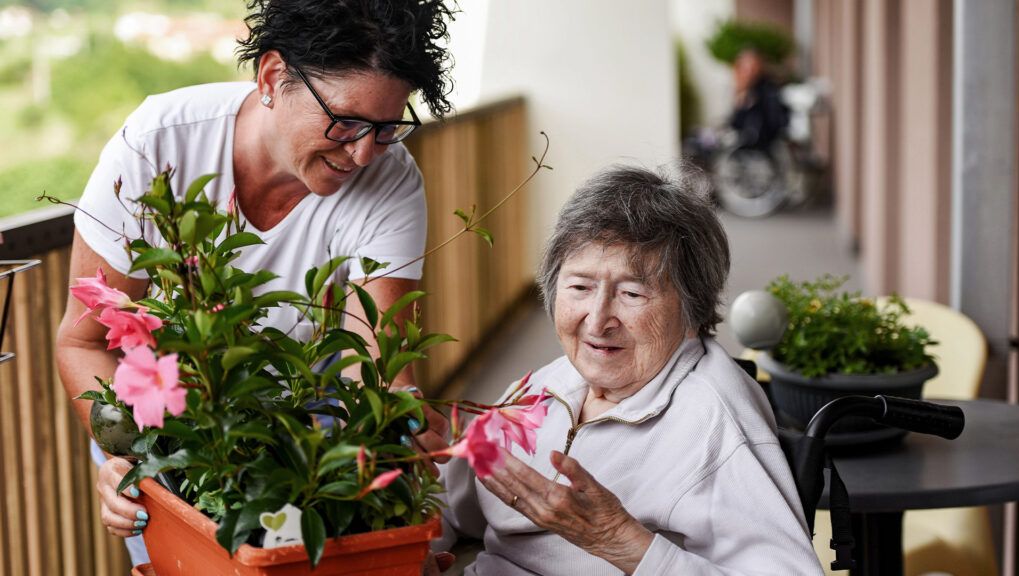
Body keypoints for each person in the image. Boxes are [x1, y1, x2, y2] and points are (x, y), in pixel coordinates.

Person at [55, 0, 454, 566]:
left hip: (301, 437)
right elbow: (85, 339)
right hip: (176, 437)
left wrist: (401, 415)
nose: (364, 153)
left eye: (388, 127)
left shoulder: (391, 180)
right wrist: (128, 458)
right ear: (273, 76)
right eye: (345, 121)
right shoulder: (159, 143)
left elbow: (376, 365)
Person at [436, 165, 822, 574]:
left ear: (693, 310)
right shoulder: (551, 383)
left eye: (632, 292)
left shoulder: (711, 420)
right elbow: (450, 503)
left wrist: (622, 542)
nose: (598, 319)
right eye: (580, 287)